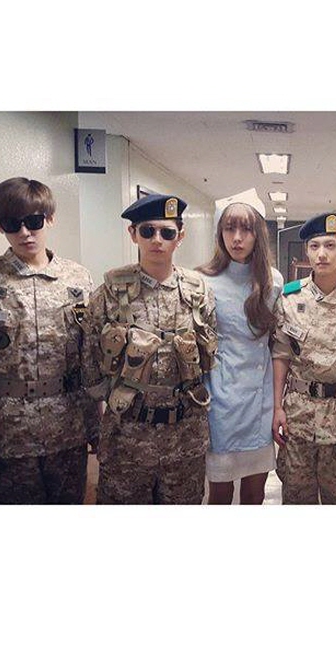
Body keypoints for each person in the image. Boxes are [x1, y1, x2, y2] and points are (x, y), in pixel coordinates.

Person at [0, 177, 96, 504]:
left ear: (50, 219)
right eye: (12, 224)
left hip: (68, 429)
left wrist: (96, 427)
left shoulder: (78, 278)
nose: (25, 232)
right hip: (7, 435)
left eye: (34, 221)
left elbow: (91, 360)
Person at [82, 193, 217, 504]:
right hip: (127, 436)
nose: (157, 240)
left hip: (184, 436)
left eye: (167, 232)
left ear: (180, 237)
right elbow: (89, 359)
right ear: (133, 234)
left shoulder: (199, 294)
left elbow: (209, 352)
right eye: (147, 231)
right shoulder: (109, 294)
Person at [271, 212, 336, 504]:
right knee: (296, 499)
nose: (322, 254)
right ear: (307, 250)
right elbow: (281, 356)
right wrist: (277, 407)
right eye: (314, 246)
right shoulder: (290, 298)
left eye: (330, 245)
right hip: (299, 420)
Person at [198, 189, 283, 504]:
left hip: (259, 400)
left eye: (246, 229)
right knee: (220, 491)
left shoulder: (273, 282)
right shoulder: (202, 281)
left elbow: (278, 345)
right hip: (220, 400)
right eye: (229, 228)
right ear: (219, 233)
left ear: (258, 234)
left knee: (254, 492)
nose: (237, 238)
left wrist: (278, 404)